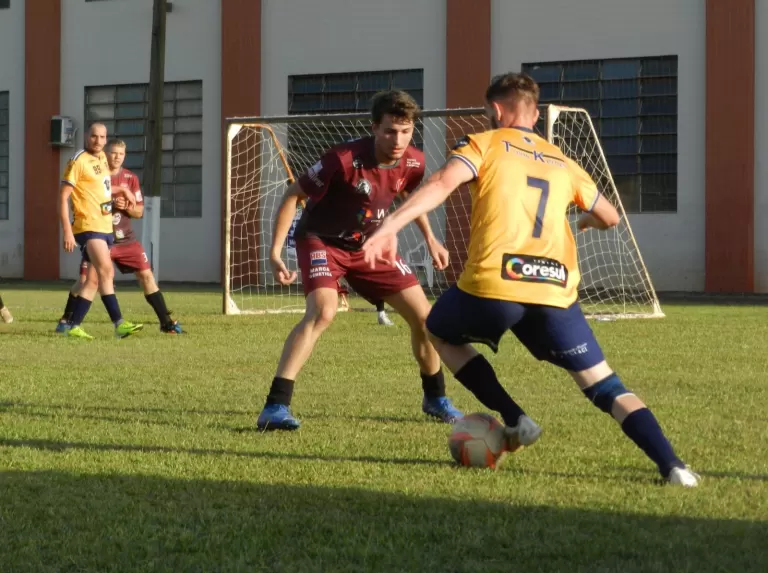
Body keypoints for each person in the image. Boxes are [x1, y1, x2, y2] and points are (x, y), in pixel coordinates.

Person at [361, 73, 699, 486]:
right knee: (606, 385)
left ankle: (515, 416)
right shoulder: (563, 162)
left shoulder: (483, 144)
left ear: (496, 111)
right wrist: (586, 218)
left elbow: (440, 183)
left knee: (438, 331)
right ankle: (673, 466)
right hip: (555, 290)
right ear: (535, 114)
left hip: (495, 284)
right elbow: (611, 216)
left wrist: (389, 227)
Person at [257, 90, 462, 430]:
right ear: (374, 128)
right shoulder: (343, 159)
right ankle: (275, 407)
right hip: (322, 241)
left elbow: (410, 195)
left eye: (405, 131)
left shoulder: (414, 161)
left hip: (371, 246)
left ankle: (436, 398)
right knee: (323, 311)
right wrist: (276, 252)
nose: (398, 139)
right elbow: (294, 195)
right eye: (389, 131)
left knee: (426, 319)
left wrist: (430, 238)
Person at [56, 140, 184, 334]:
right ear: (105, 154)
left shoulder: (130, 178)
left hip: (126, 240)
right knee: (86, 281)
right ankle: (68, 320)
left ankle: (166, 323)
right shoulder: (94, 173)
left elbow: (139, 212)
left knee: (147, 276)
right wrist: (112, 203)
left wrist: (129, 207)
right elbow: (84, 202)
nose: (117, 157)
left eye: (121, 154)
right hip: (99, 236)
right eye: (113, 153)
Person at [59, 123, 143, 340]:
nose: (98, 140)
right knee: (107, 271)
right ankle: (119, 324)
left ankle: (72, 325)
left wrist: (123, 189)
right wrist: (67, 231)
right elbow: (63, 197)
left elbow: (101, 188)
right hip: (88, 227)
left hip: (105, 228)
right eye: (94, 136)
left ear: (106, 139)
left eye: (102, 137)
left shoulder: (102, 159)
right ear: (87, 136)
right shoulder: (78, 160)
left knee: (93, 281)